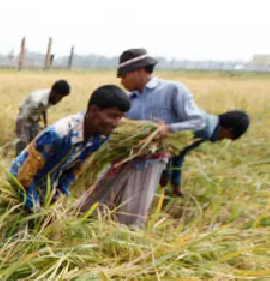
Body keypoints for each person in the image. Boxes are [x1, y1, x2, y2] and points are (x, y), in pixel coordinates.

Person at [76, 48, 205, 227]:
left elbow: (198, 121)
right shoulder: (129, 99)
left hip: (149, 162)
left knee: (130, 214)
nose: (121, 82)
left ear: (138, 70)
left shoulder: (172, 90)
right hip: (122, 157)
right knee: (91, 203)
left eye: (123, 76)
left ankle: (125, 245)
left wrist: (168, 129)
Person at [9, 85, 131, 212]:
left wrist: (61, 193)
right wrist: (34, 208)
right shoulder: (59, 134)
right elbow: (23, 175)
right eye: (112, 116)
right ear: (94, 111)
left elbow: (77, 165)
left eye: (120, 117)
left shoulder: (100, 136)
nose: (116, 123)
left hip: (46, 184)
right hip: (21, 182)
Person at [161, 110, 250, 196]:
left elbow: (179, 152)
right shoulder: (205, 131)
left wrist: (175, 183)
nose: (228, 139)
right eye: (231, 136)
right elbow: (173, 151)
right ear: (229, 129)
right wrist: (166, 174)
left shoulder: (207, 120)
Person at [14, 79, 71, 155]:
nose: (60, 100)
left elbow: (44, 109)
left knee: (35, 145)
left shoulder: (51, 98)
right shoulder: (36, 101)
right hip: (24, 122)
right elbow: (20, 119)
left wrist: (45, 125)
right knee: (23, 148)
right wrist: (22, 134)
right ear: (54, 92)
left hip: (34, 120)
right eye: (60, 97)